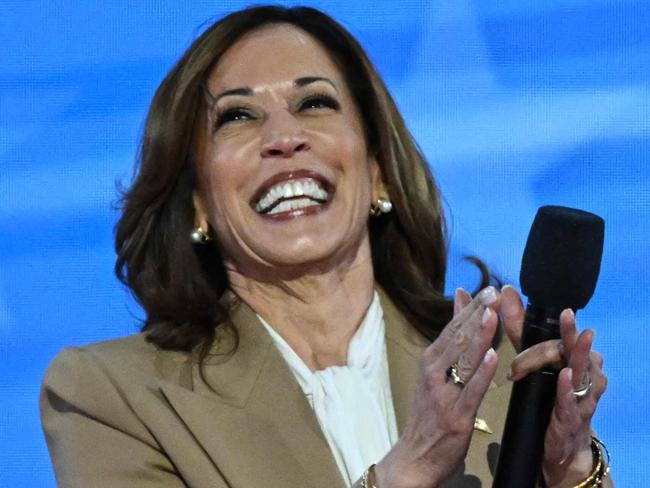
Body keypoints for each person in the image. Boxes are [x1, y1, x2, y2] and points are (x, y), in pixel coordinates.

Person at [40, 6, 610, 488]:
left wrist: (570, 471)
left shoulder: (502, 371)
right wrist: (405, 470)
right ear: (197, 204)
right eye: (237, 116)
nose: (284, 138)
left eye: (315, 103)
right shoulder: (112, 396)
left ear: (379, 172)